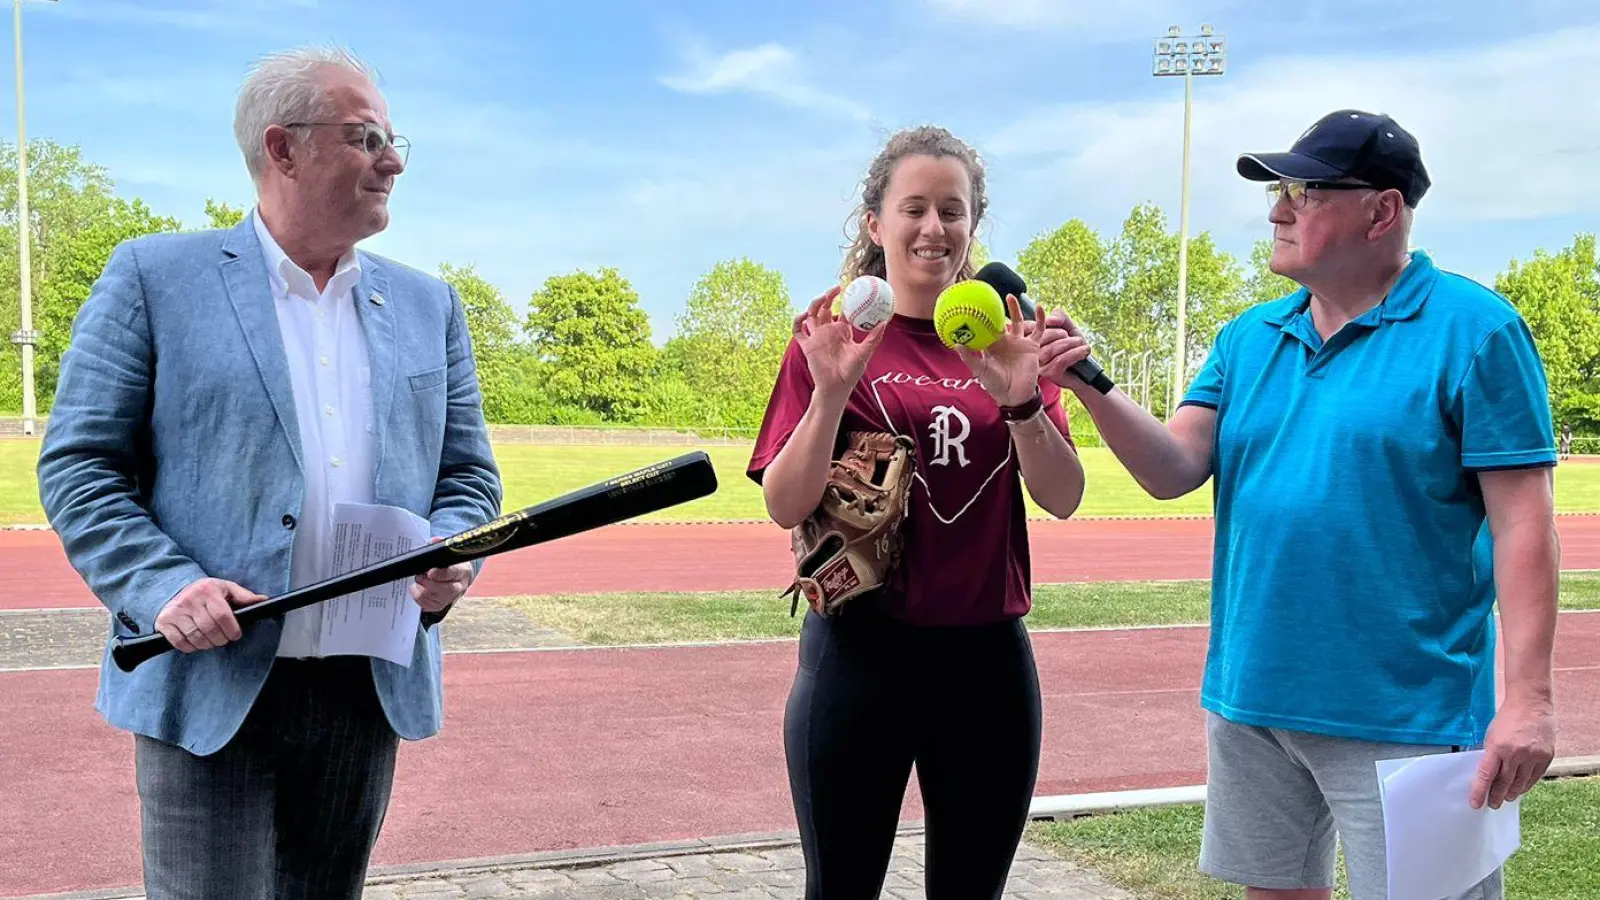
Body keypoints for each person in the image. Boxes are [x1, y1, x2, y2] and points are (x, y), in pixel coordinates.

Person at [1037, 109, 1559, 900]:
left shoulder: (1476, 331)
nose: (1278, 210)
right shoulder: (1250, 336)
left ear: (1382, 211)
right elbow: (1173, 468)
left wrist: (1530, 702)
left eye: (1305, 193)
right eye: (1278, 192)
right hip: (1254, 698)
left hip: (1409, 714)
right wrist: (1088, 382)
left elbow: (1525, 525)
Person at [36, 45, 502, 899]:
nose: (393, 162)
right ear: (283, 148)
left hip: (366, 689)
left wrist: (452, 551)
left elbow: (468, 477)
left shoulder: (430, 305)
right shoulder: (154, 278)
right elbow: (81, 466)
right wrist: (164, 586)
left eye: (393, 140)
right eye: (366, 138)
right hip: (211, 682)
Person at [747, 124, 1087, 898]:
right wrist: (830, 393)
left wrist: (1022, 402)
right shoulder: (833, 337)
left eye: (953, 210)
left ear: (973, 224)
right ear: (876, 224)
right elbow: (784, 503)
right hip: (859, 654)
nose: (935, 228)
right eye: (914, 209)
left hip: (986, 662)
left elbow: (1062, 497)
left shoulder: (1011, 339)